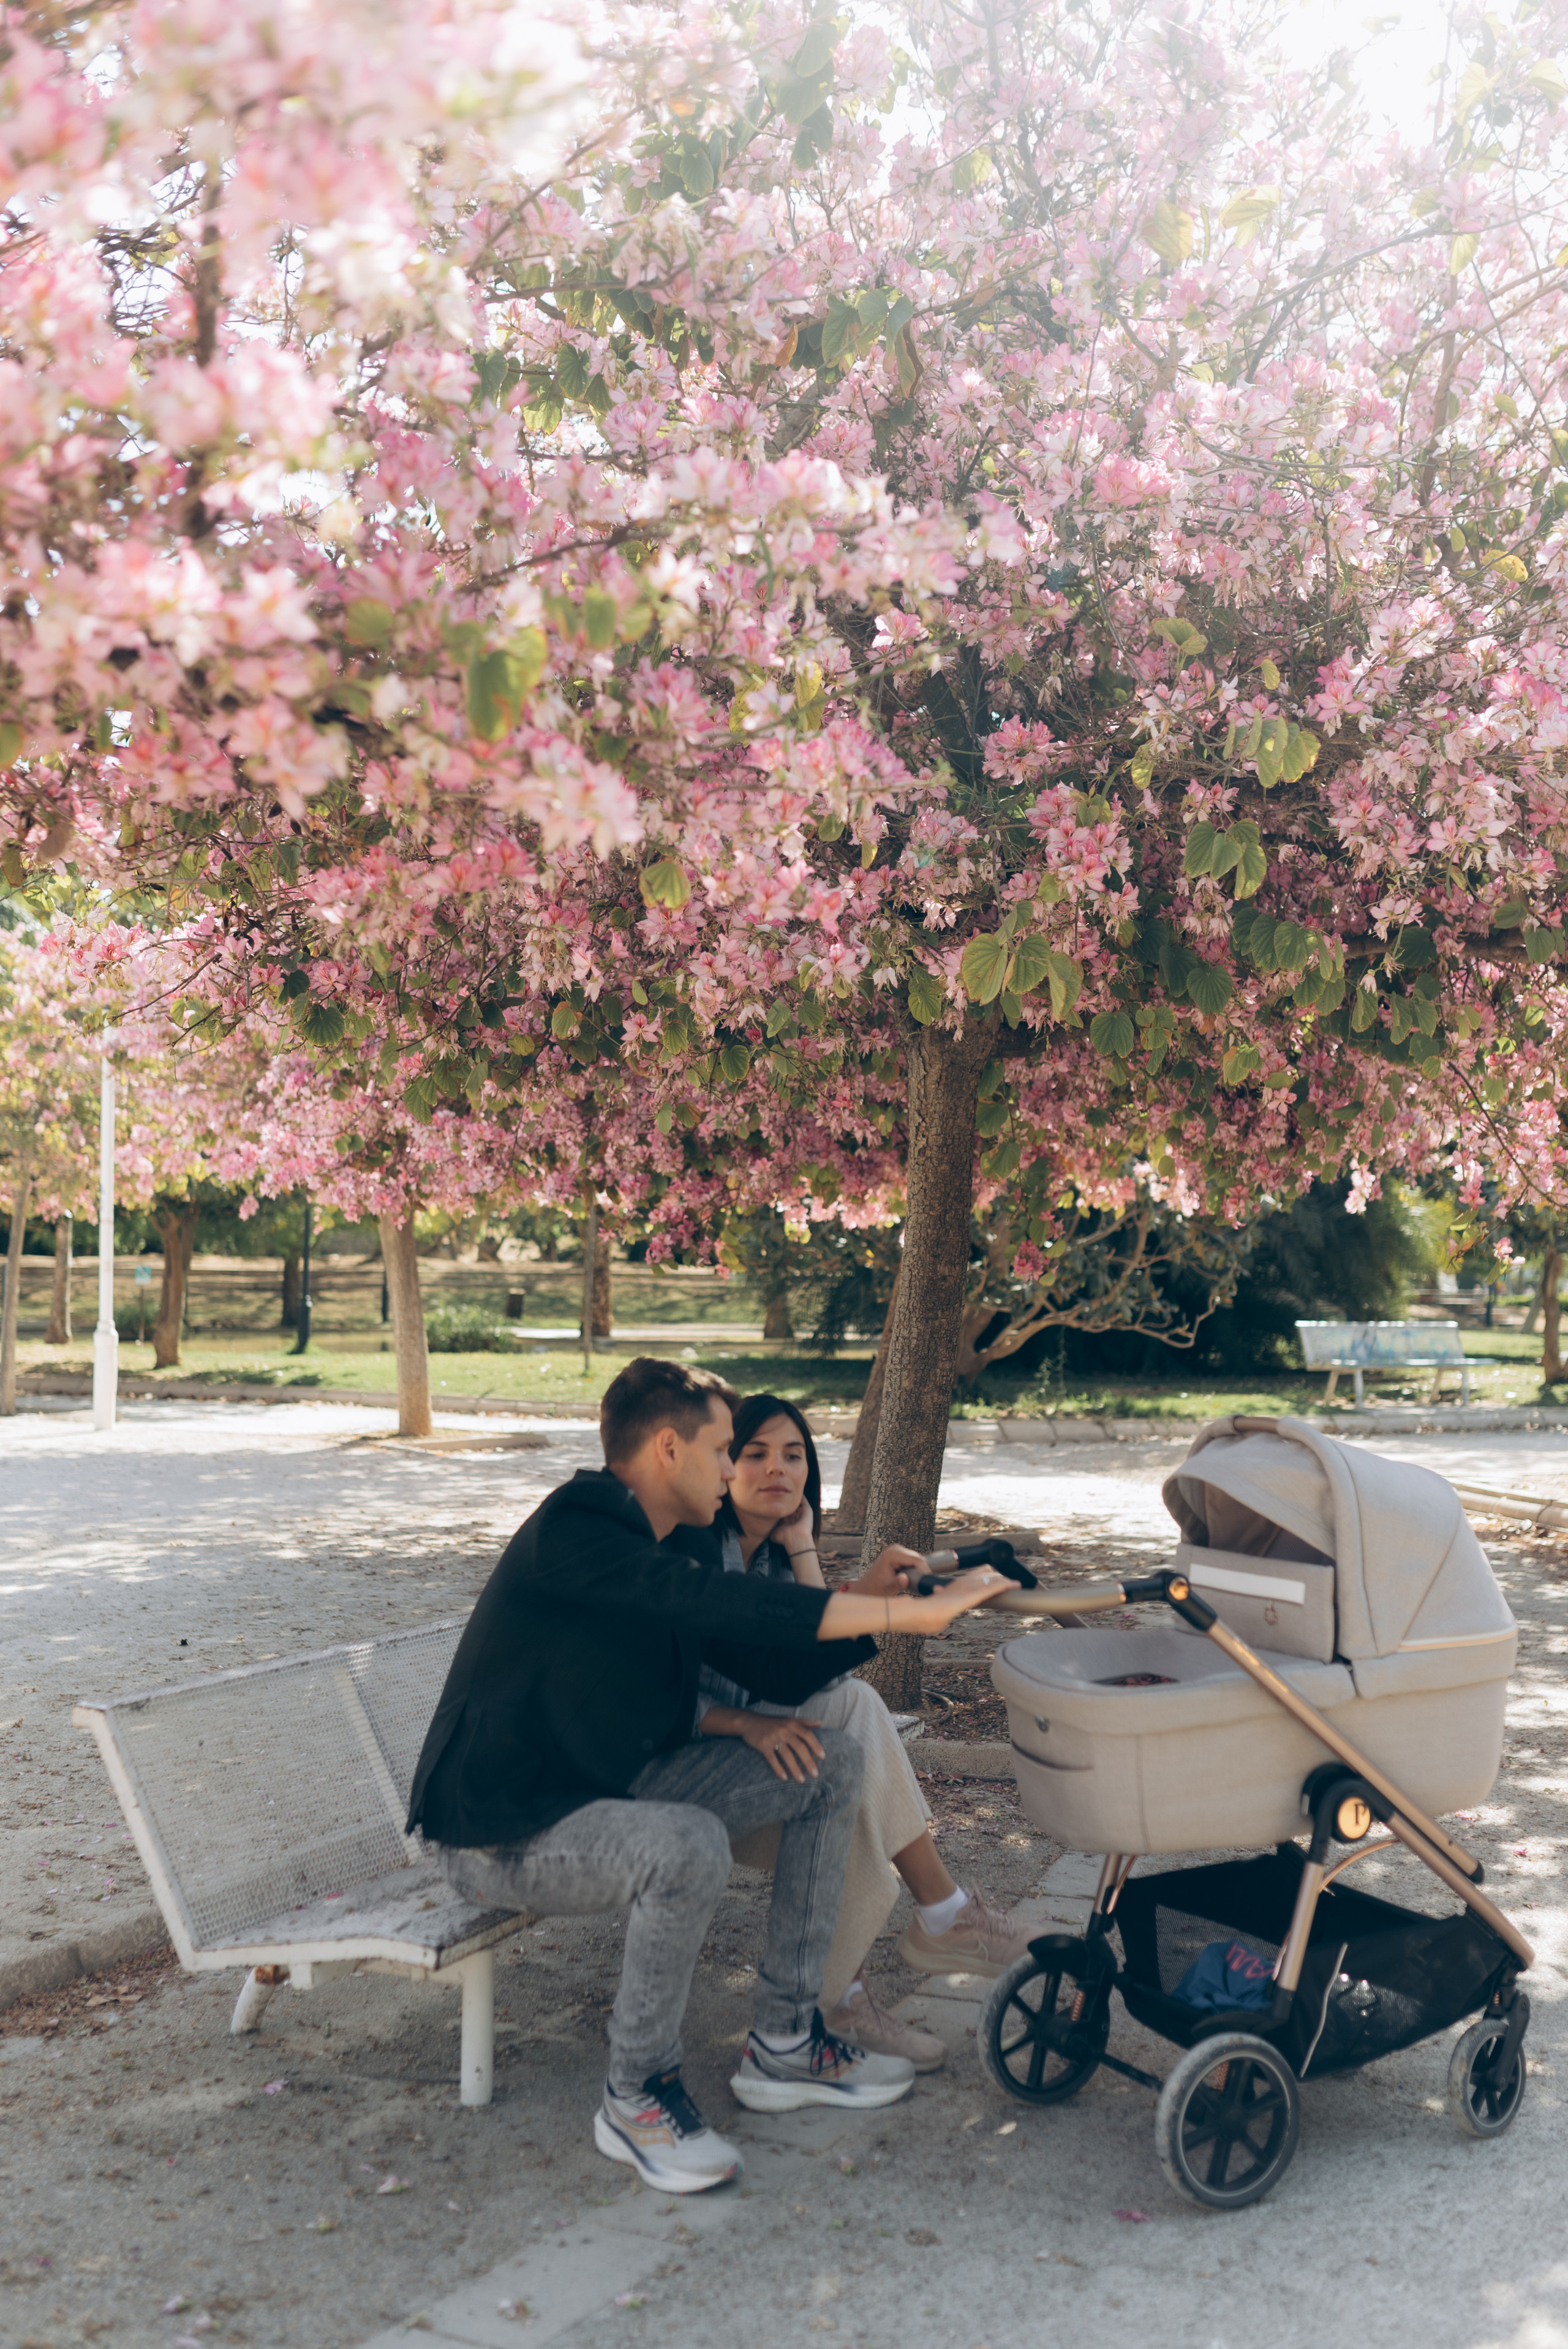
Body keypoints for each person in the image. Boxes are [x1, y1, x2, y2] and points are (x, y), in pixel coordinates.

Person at [404, 1356, 1016, 2196]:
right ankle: (636, 2093)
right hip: (506, 1829)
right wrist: (898, 1612)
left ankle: (788, 2038)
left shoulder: (670, 1539)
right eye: (727, 1449)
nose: (735, 1470)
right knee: (686, 1841)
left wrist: (873, 1599)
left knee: (833, 1760)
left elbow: (763, 1650)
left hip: (602, 1792)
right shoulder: (579, 1527)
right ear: (667, 1448)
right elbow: (720, 1605)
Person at [686, 1394, 1035, 2072]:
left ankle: (860, 1981)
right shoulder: (704, 1555)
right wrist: (748, 1721)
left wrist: (802, 1545)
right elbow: (761, 1672)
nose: (776, 1471)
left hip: (751, 1759)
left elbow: (812, 1667)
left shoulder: (768, 1557)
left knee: (850, 1719)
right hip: (689, 1770)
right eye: (754, 1454)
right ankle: (934, 1925)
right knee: (850, 1725)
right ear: (722, 1465)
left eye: (794, 1456)